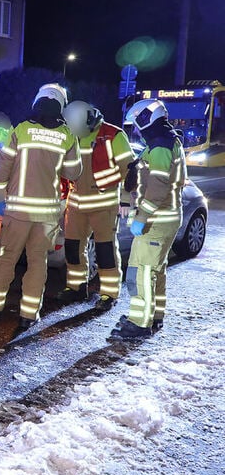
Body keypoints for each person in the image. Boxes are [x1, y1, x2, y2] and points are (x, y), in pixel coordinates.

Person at [0, 83, 82, 329]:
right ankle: (29, 314)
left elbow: (3, 165)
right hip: (46, 215)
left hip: (18, 212)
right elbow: (74, 171)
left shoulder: (21, 130)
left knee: (6, 259)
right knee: (38, 263)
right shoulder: (67, 136)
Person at [109, 99, 186, 340]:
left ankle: (139, 323)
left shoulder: (161, 145)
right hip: (164, 218)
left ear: (148, 118)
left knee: (140, 271)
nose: (137, 129)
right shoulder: (162, 142)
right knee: (156, 270)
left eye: (138, 123)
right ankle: (154, 315)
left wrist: (141, 216)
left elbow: (158, 187)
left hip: (156, 220)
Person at [58, 100, 135, 309]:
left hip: (104, 205)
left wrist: (126, 200)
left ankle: (109, 294)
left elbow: (130, 170)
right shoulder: (70, 134)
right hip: (75, 205)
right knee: (73, 249)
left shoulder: (114, 135)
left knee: (105, 251)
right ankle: (76, 287)